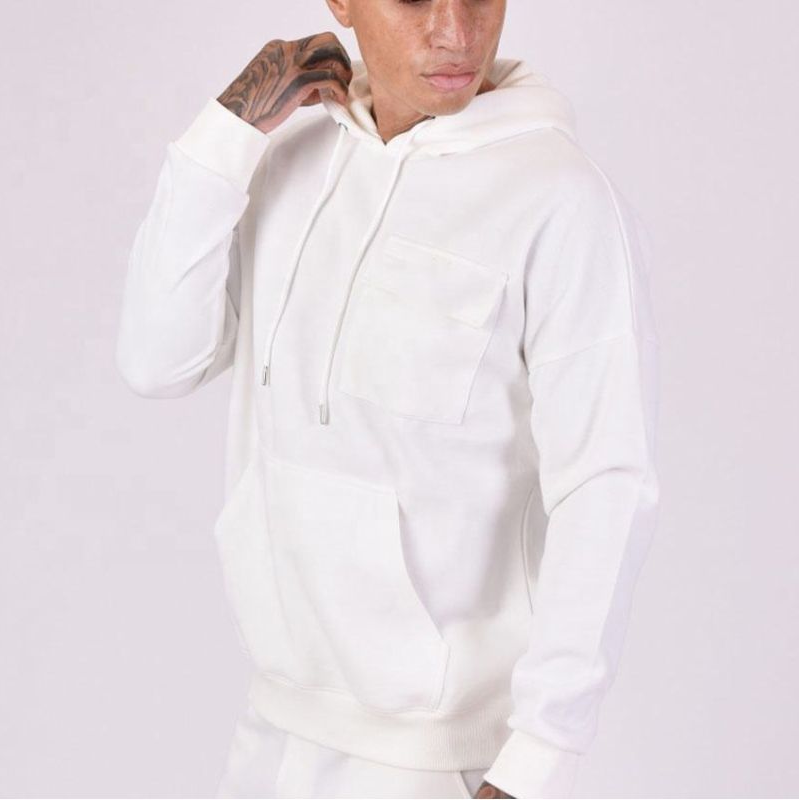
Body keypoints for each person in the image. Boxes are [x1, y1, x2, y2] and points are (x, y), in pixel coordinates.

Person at [115, 0, 661, 797]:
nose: (456, 33)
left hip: (441, 763)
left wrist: (538, 761)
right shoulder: (288, 156)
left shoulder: (562, 200)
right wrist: (228, 130)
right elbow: (158, 361)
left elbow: (606, 484)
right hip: (270, 737)